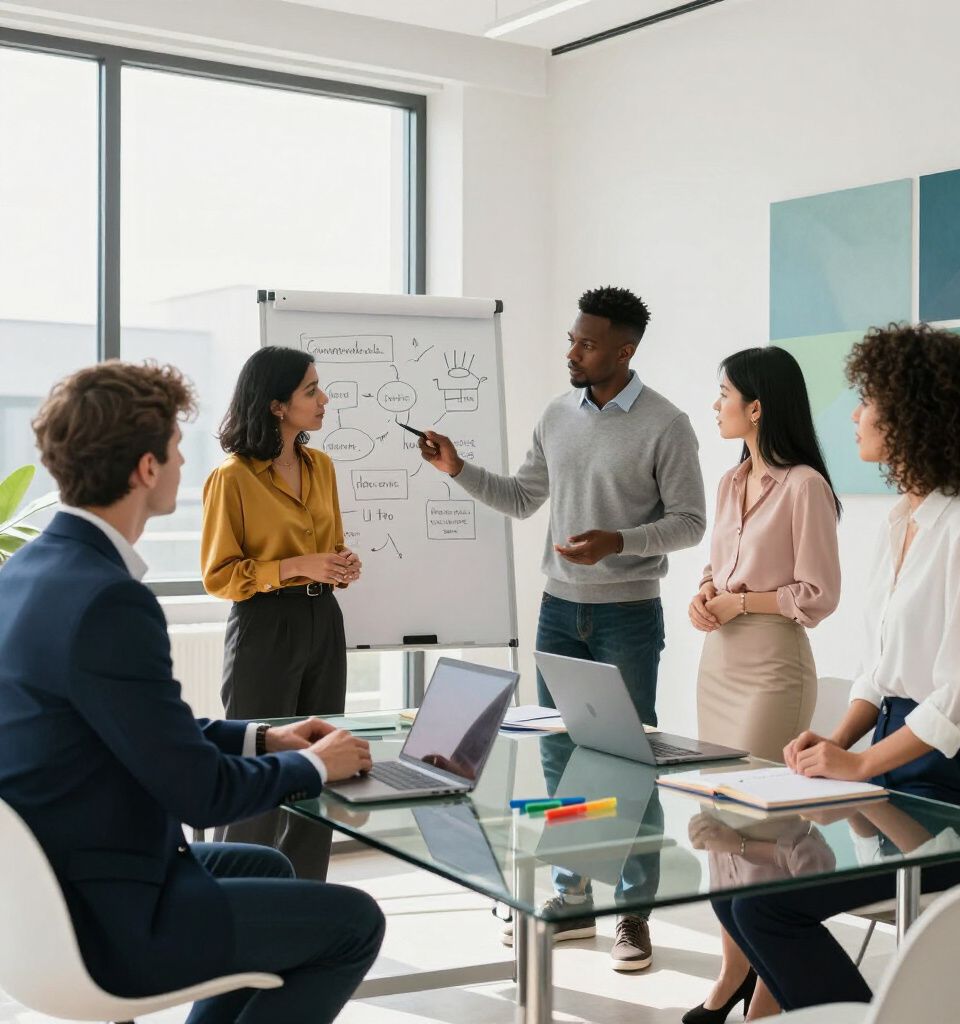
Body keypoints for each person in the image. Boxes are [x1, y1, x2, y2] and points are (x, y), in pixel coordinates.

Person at [0, 361, 383, 1024]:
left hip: (49, 887)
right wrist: (317, 766)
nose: (184, 463)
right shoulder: (109, 600)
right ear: (147, 468)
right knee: (354, 923)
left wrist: (264, 737)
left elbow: (144, 727)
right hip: (106, 916)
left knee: (265, 867)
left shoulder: (30, 569)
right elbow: (200, 792)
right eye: (177, 449)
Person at [711, 322, 960, 1015]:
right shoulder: (901, 520)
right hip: (894, 764)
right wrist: (836, 743)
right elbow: (879, 675)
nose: (854, 415)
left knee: (766, 909)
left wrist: (858, 766)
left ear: (911, 414)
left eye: (868, 401)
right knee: (738, 892)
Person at [419, 285, 706, 970]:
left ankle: (632, 912)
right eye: (572, 340)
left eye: (586, 343)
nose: (572, 352)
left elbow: (691, 523)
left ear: (624, 351)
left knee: (628, 760)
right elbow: (523, 498)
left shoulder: (667, 424)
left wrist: (619, 542)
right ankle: (572, 896)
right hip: (558, 609)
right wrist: (457, 469)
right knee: (559, 757)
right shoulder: (556, 414)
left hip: (627, 614)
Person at [685, 346, 841, 1021]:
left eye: (724, 394)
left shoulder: (804, 486)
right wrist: (703, 596)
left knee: (758, 820)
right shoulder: (729, 482)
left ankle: (770, 992)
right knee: (718, 814)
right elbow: (717, 568)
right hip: (718, 664)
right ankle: (732, 973)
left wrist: (741, 603)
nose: (715, 404)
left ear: (756, 407)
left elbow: (818, 594)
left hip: (773, 668)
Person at [202, 346, 361, 881]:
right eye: (311, 390)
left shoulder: (322, 467)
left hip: (324, 620)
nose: (324, 399)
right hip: (264, 626)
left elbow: (330, 546)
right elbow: (219, 576)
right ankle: (236, 899)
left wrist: (340, 564)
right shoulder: (233, 477)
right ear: (276, 405)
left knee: (322, 769)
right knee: (258, 775)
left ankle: (304, 899)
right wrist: (295, 566)